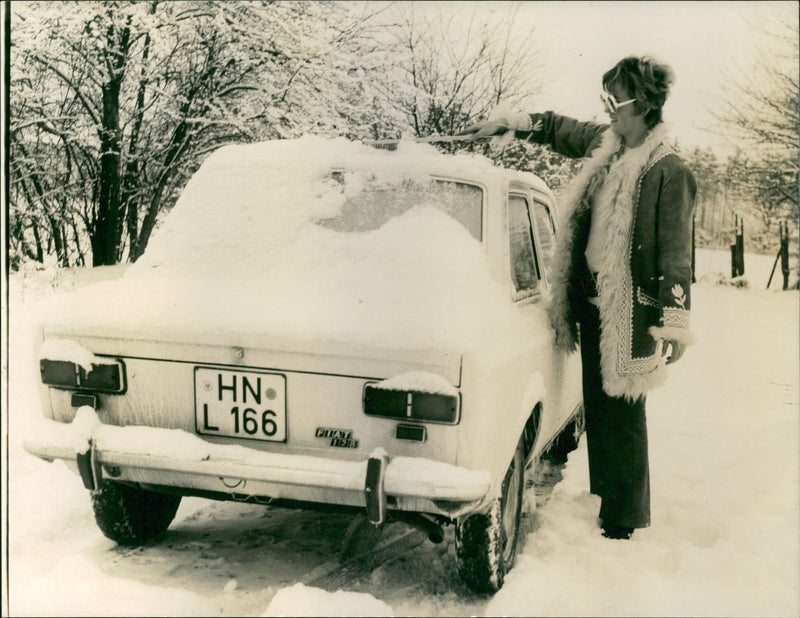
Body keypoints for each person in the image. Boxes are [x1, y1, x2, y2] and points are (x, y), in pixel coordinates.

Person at [460, 56, 697, 540]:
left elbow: (676, 254)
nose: (607, 109)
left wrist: (674, 320)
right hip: (590, 298)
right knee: (597, 402)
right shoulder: (607, 146)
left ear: (645, 105)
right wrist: (515, 125)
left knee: (623, 410)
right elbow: (561, 130)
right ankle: (607, 498)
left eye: (616, 101)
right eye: (604, 99)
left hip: (630, 310)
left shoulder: (668, 170)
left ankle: (623, 521)